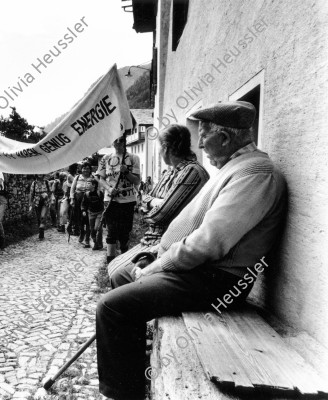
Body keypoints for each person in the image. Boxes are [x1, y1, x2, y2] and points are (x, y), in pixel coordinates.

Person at [96, 101, 287, 399]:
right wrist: (159, 252)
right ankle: (133, 370)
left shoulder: (256, 173)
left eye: (204, 135)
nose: (198, 143)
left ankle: (124, 394)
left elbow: (209, 243)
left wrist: (156, 266)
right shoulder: (236, 167)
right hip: (200, 272)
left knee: (112, 307)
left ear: (225, 138)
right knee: (121, 278)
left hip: (217, 280)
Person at [107, 124, 210, 280]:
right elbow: (144, 201)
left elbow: (159, 215)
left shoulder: (192, 171)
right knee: (113, 268)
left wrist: (152, 203)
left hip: (167, 243)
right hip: (151, 239)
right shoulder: (170, 171)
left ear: (166, 148)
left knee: (118, 275)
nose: (160, 152)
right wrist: (158, 202)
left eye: (160, 148)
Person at [94, 135, 141, 264]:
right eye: (116, 140)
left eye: (122, 141)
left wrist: (126, 172)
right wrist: (109, 189)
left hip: (128, 200)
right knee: (111, 232)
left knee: (125, 233)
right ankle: (111, 263)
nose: (119, 143)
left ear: (125, 142)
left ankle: (124, 262)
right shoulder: (106, 158)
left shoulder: (133, 158)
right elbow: (100, 178)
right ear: (112, 142)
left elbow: (137, 180)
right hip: (111, 200)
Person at [70, 163, 93, 245]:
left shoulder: (93, 178)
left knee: (88, 219)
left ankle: (87, 237)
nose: (86, 170)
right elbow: (72, 189)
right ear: (81, 169)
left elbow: (98, 188)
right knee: (80, 218)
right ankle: (81, 232)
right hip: (78, 200)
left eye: (87, 168)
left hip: (89, 200)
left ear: (90, 169)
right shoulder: (77, 177)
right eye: (84, 168)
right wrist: (72, 199)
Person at [81, 178, 104, 250]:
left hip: (99, 213)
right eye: (86, 183)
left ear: (94, 185)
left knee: (97, 228)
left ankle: (99, 243)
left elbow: (103, 203)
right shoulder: (86, 194)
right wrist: (83, 210)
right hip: (90, 213)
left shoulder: (99, 193)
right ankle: (96, 243)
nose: (86, 185)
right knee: (91, 229)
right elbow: (83, 204)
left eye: (88, 183)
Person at [29, 175, 53, 240]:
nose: (40, 174)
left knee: (42, 216)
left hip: (45, 202)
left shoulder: (47, 182)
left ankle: (41, 231)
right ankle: (41, 233)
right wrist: (30, 204)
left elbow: (50, 191)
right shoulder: (34, 183)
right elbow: (31, 194)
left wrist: (47, 194)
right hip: (37, 202)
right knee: (39, 218)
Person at [66, 163, 79, 235]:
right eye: (76, 168)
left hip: (75, 194)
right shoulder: (70, 176)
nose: (78, 169)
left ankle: (74, 227)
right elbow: (77, 182)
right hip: (71, 195)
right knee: (72, 212)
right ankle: (71, 227)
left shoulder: (75, 175)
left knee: (75, 212)